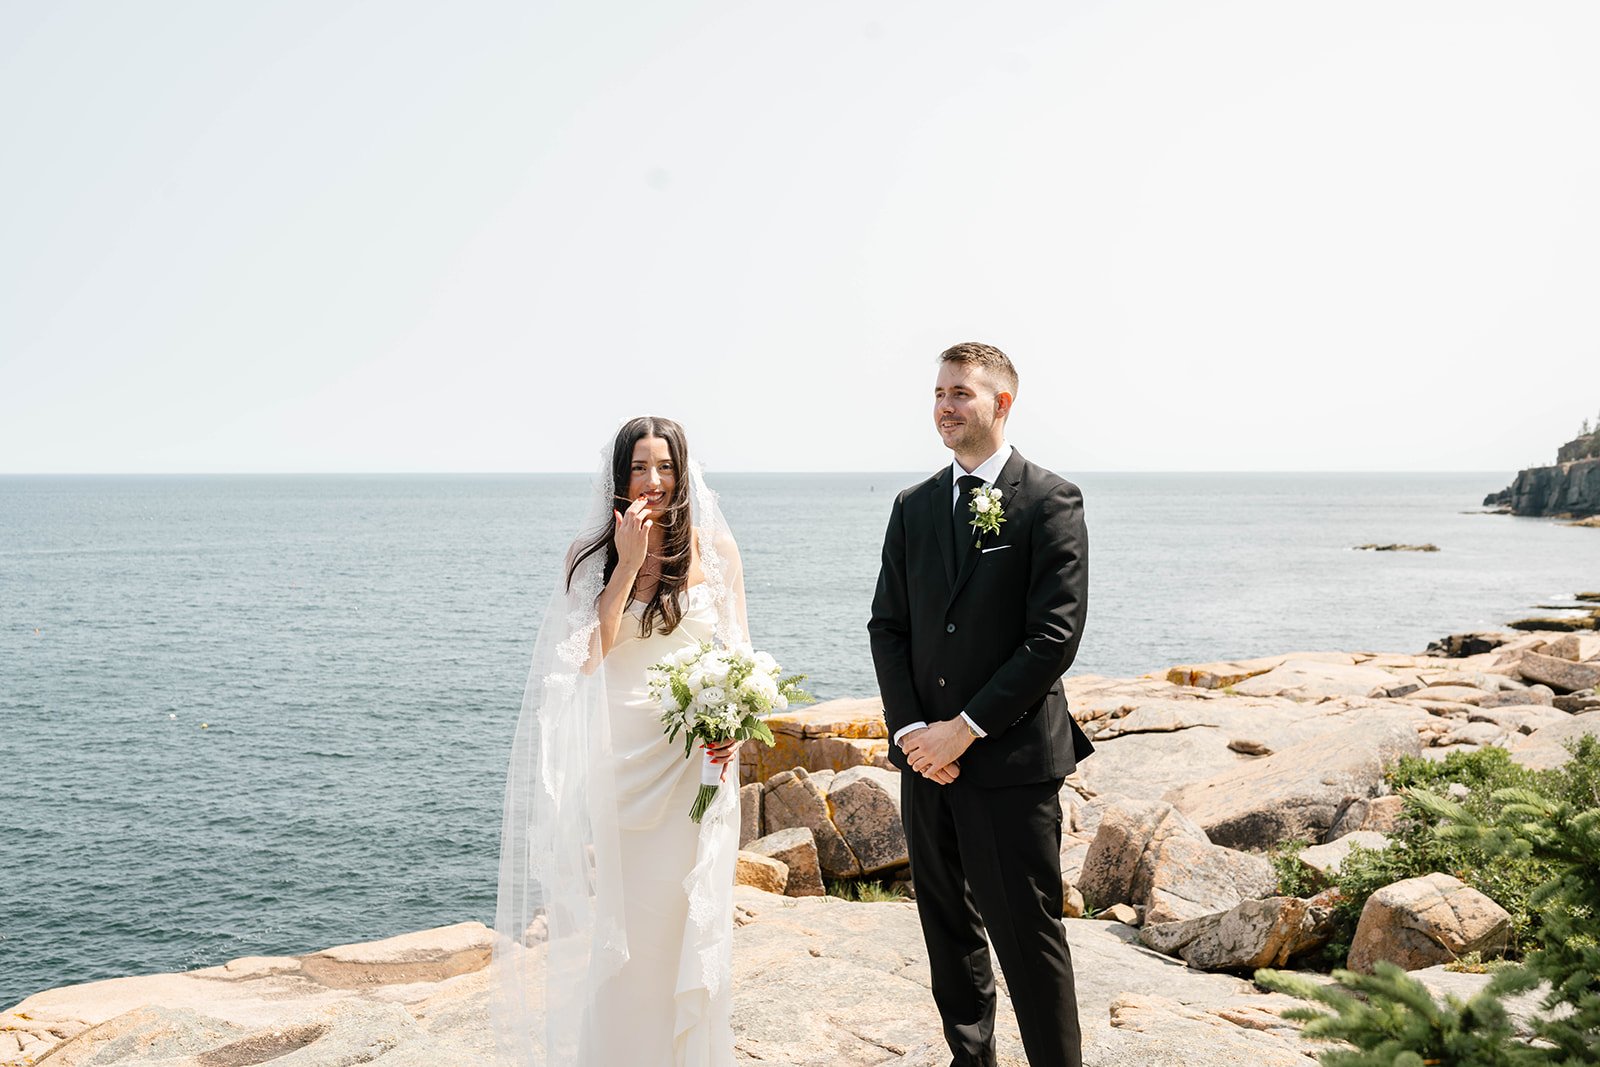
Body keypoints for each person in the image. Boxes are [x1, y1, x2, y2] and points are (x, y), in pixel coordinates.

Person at [494, 416, 745, 1067]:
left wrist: (732, 725)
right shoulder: (588, 552)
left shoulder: (716, 549)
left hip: (698, 765)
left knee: (690, 917)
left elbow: (738, 654)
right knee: (630, 932)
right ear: (619, 474)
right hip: (625, 768)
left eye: (664, 466)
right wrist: (628, 565)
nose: (654, 480)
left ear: (682, 472)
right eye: (639, 467)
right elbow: (584, 659)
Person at [868, 343, 1094, 1067]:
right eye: (938, 391)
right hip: (924, 766)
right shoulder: (913, 506)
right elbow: (889, 626)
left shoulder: (1051, 500)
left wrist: (960, 732)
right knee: (949, 938)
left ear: (1002, 403)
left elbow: (1052, 638)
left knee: (1028, 941)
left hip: (1011, 763)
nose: (944, 404)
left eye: (961, 392)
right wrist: (910, 733)